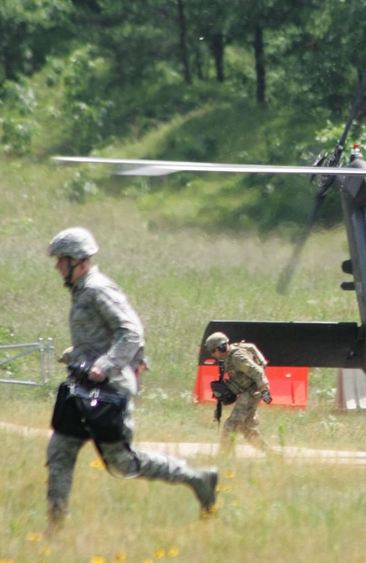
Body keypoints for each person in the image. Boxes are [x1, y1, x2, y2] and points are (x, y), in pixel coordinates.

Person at [46, 227, 217, 531]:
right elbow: (102, 335)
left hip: (109, 388)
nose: (57, 266)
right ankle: (56, 525)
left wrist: (105, 365)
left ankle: (197, 478)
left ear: (79, 261)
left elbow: (130, 332)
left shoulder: (98, 289)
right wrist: (78, 354)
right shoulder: (81, 290)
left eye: (61, 260)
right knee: (59, 451)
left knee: (121, 464)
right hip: (83, 387)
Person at [203, 331, 275, 455]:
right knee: (245, 429)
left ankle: (223, 458)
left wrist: (265, 393)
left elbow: (258, 372)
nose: (213, 355)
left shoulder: (237, 358)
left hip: (252, 392)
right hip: (247, 392)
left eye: (214, 351)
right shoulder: (227, 358)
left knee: (231, 425)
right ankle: (272, 455)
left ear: (221, 347)